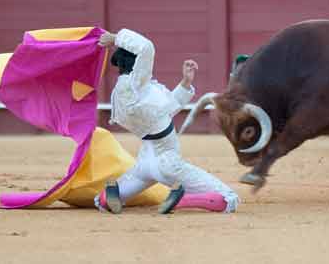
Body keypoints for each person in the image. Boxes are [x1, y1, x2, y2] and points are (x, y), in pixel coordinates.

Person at [95, 30, 239, 215]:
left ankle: (110, 197)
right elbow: (146, 47)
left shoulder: (125, 93)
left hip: (145, 164)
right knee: (228, 198)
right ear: (138, 63)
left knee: (101, 200)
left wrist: (185, 83)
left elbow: (165, 111)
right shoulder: (139, 84)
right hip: (167, 163)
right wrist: (115, 39)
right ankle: (183, 200)